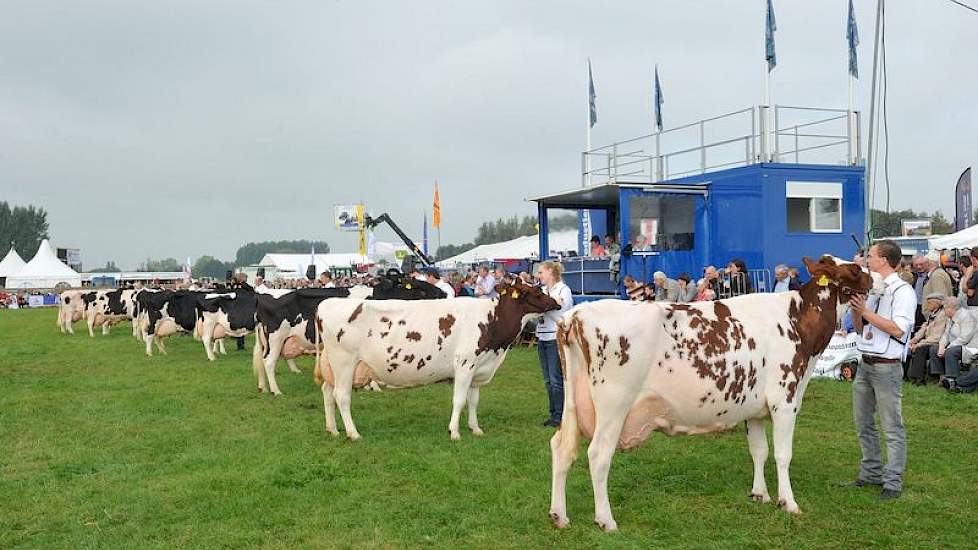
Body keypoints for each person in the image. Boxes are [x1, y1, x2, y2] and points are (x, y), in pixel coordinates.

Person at [845, 240, 917, 500]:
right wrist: (857, 311)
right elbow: (860, 327)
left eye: (871, 255)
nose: (867, 259)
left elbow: (898, 329)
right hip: (866, 362)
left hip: (887, 367)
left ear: (884, 260)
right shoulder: (874, 289)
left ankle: (893, 481)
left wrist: (865, 310)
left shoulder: (903, 292)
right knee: (863, 423)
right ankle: (870, 472)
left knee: (891, 426)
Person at [535, 261, 574, 427]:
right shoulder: (543, 291)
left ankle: (560, 415)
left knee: (555, 378)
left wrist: (545, 308)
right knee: (548, 380)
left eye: (541, 272)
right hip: (542, 336)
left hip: (554, 336)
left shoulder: (563, 289)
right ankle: (553, 413)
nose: (539, 275)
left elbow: (562, 311)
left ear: (551, 272)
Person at [929, 296, 976, 391]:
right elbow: (946, 334)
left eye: (944, 308)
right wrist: (942, 346)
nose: (943, 310)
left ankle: (952, 379)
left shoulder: (966, 316)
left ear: (951, 308)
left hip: (969, 346)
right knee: (934, 349)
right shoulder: (950, 317)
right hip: (955, 343)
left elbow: (965, 338)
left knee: (951, 352)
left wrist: (948, 348)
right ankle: (942, 378)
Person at [906, 293, 948, 385]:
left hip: (938, 343)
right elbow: (924, 328)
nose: (927, 305)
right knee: (912, 347)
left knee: (921, 349)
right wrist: (914, 340)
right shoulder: (932, 314)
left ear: (937, 304)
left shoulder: (942, 315)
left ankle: (919, 378)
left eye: (929, 303)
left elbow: (936, 337)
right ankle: (914, 377)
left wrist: (919, 344)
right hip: (929, 341)